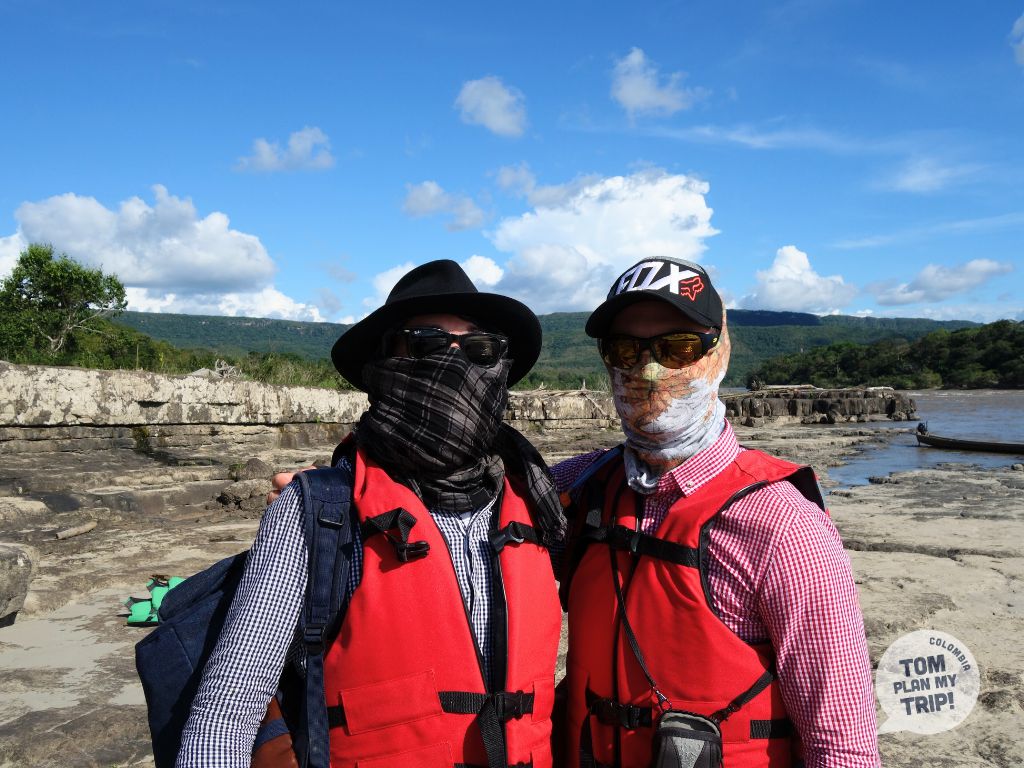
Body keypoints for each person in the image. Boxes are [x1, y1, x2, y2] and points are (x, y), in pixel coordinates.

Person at [178, 259, 565, 768]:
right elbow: (229, 706)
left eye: (480, 349)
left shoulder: (544, 501)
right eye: (425, 344)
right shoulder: (317, 511)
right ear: (385, 363)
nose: (455, 366)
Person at [553, 257, 880, 767]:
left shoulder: (784, 527)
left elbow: (840, 743)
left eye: (679, 347)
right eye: (625, 349)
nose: (649, 370)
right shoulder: (577, 487)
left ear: (720, 351)